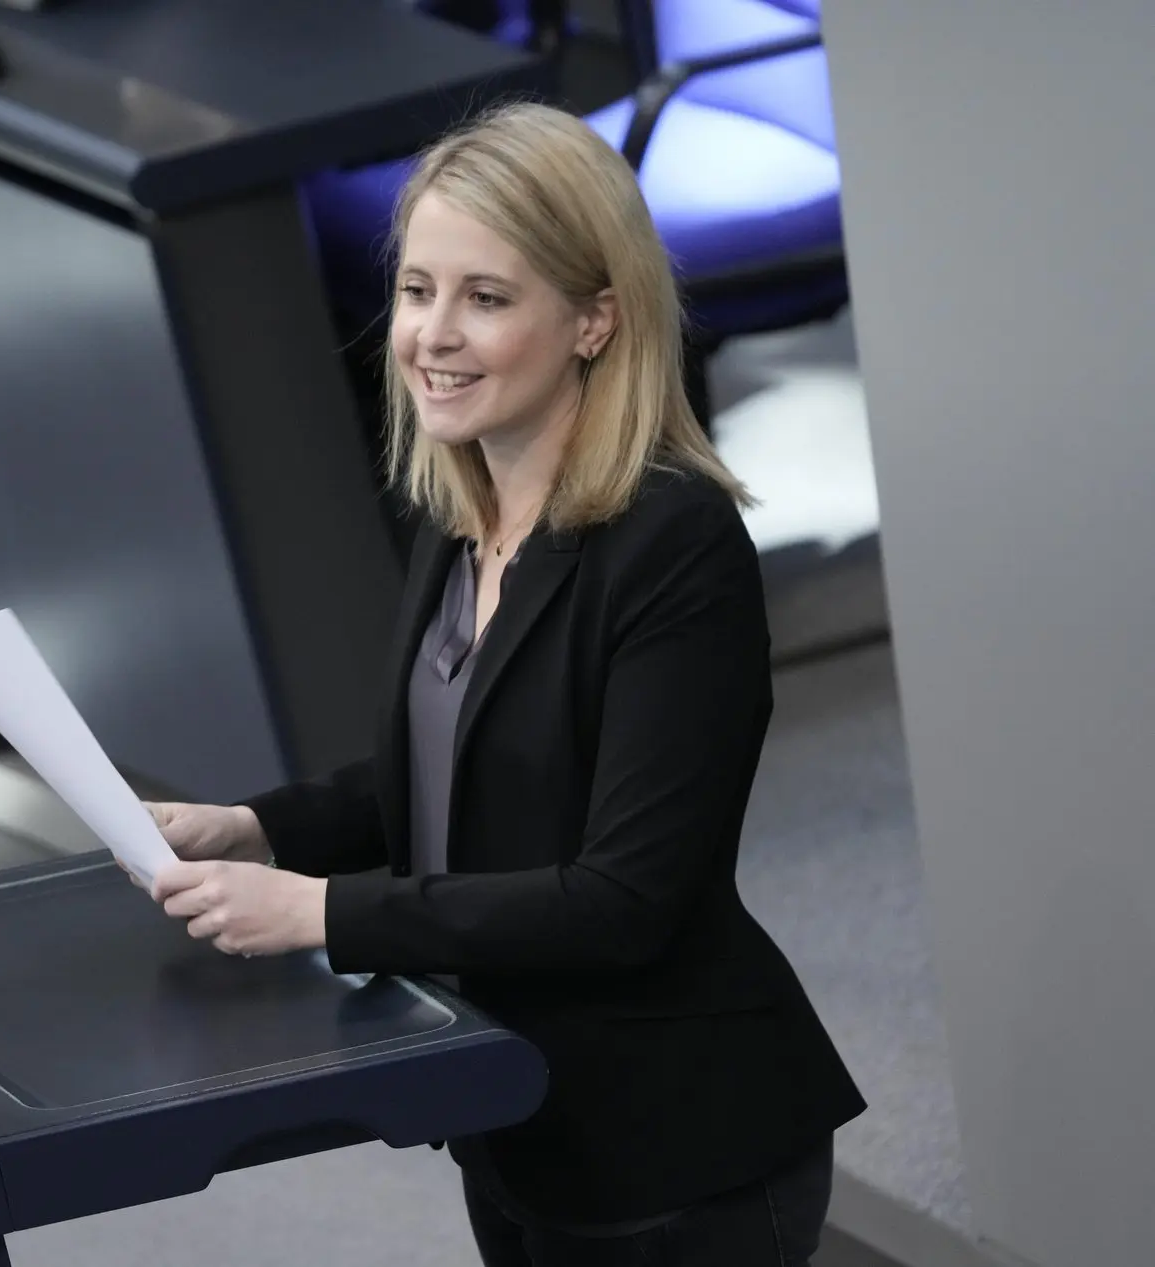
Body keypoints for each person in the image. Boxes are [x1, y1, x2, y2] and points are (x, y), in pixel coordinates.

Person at [138, 103, 866, 1266]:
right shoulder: (463, 507)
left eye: (487, 297)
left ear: (593, 320)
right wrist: (262, 827)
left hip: (674, 1142)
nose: (432, 333)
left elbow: (623, 899)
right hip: (518, 1114)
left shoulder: (673, 544)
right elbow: (466, 761)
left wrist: (326, 913)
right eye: (418, 289)